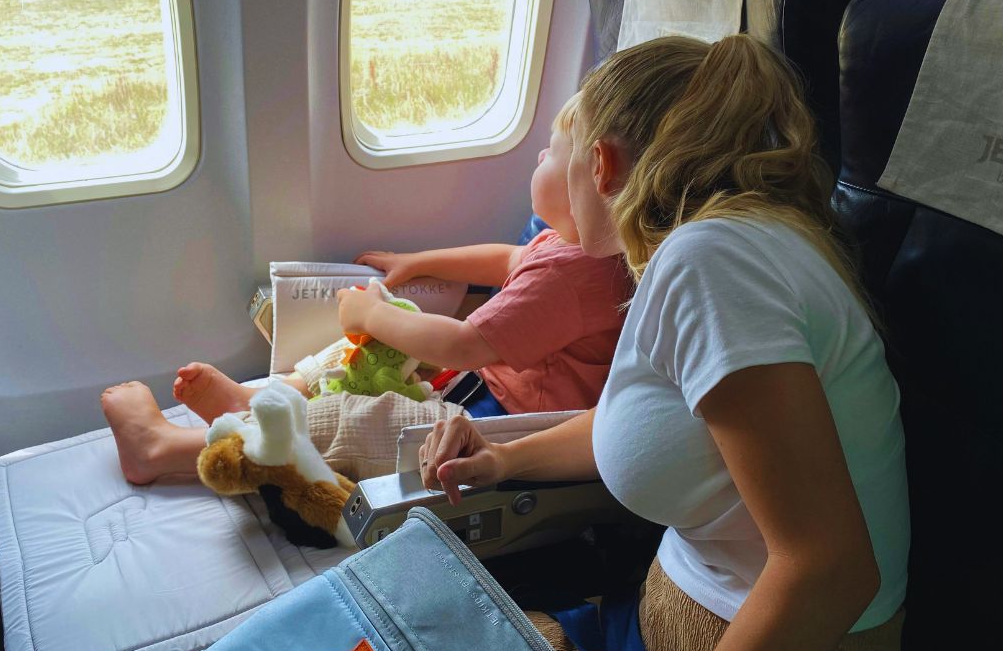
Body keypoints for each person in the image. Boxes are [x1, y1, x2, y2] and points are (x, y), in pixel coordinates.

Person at [418, 35, 909, 651]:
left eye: (553, 151)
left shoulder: (712, 263)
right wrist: (502, 455)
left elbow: (831, 568)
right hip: (667, 621)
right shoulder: (715, 248)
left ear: (600, 163)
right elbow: (650, 422)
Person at [100, 92, 633, 485]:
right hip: (480, 385)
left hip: (506, 423)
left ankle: (162, 448)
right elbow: (511, 258)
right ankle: (257, 400)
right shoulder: (569, 245)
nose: (540, 158)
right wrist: (419, 261)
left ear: (597, 171)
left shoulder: (575, 274)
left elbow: (463, 344)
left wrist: (370, 314)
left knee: (361, 420)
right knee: (358, 356)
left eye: (552, 151)